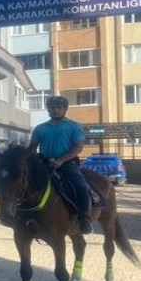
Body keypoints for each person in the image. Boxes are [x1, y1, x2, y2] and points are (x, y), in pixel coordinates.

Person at [29, 96, 93, 235]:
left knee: (81, 186)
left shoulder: (74, 126)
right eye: (52, 107)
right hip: (44, 164)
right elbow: (32, 147)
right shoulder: (40, 128)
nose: (55, 110)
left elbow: (78, 148)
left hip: (67, 164)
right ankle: (24, 215)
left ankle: (84, 219)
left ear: (65, 109)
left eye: (59, 107)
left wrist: (61, 160)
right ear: (48, 110)